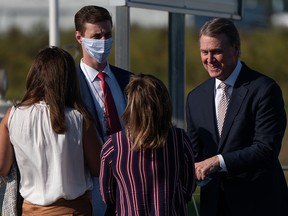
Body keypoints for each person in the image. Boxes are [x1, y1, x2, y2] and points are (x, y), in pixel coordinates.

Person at [186, 17, 288, 216]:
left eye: (217, 51)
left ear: (236, 49)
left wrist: (218, 161)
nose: (209, 59)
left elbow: (266, 149)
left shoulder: (264, 89)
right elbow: (194, 154)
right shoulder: (195, 98)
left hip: (259, 205)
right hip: (214, 206)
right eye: (204, 52)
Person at [0, 46, 102, 215]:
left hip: (31, 211)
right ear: (68, 80)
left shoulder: (12, 115)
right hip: (73, 211)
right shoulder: (79, 118)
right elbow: (99, 167)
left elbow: (3, 168)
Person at [99, 74, 196, 216]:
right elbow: (189, 186)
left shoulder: (114, 146)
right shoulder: (180, 140)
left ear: (131, 105)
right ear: (165, 104)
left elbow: (108, 195)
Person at [74, 5, 133, 215]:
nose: (103, 41)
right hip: (90, 188)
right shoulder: (69, 86)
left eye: (107, 34)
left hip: (129, 186)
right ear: (79, 37)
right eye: (96, 36)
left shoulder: (129, 80)